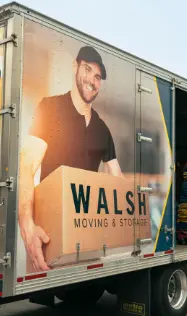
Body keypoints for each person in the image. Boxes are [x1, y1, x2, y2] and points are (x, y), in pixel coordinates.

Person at [18, 45, 124, 272]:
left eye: (97, 77)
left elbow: (118, 180)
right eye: (87, 70)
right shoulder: (50, 108)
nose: (92, 80)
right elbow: (26, 165)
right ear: (75, 67)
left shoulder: (102, 129)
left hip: (87, 235)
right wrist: (27, 224)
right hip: (51, 235)